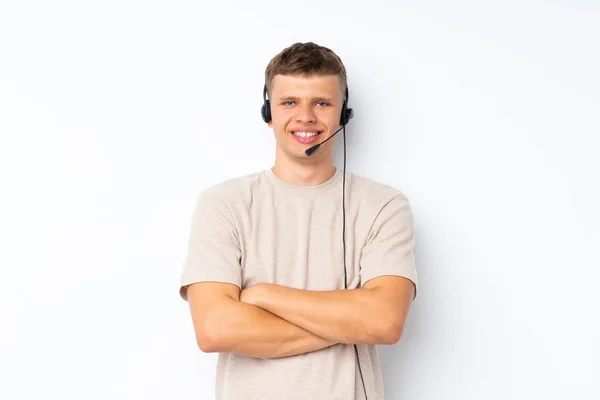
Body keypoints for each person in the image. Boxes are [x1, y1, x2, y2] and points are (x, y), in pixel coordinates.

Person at [178, 42, 418, 400]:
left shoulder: (383, 206)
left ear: (343, 114)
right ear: (268, 112)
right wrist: (351, 321)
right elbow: (215, 329)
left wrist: (263, 295)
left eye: (321, 103)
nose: (305, 116)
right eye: (289, 102)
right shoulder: (223, 204)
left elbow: (384, 321)